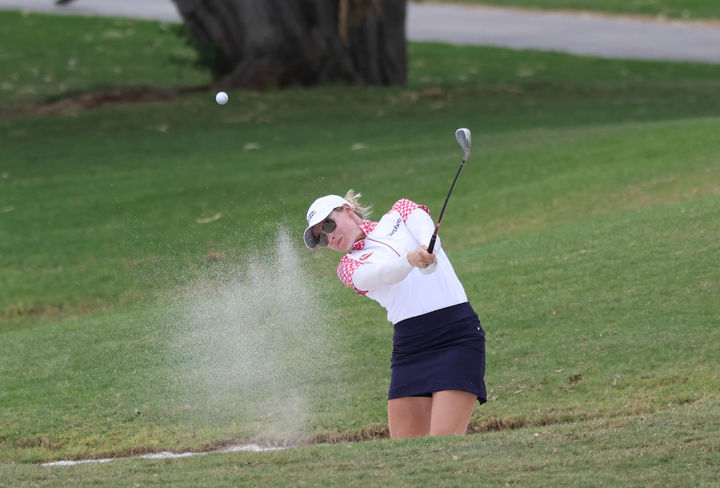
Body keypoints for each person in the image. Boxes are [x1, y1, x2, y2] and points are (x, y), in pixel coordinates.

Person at [303, 189, 486, 439]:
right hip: (410, 348)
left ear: (347, 210)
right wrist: (410, 260)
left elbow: (427, 231)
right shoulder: (348, 266)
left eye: (328, 225)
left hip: (456, 336)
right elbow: (383, 275)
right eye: (322, 238)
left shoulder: (400, 212)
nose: (329, 237)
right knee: (406, 450)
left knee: (444, 443)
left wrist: (428, 248)